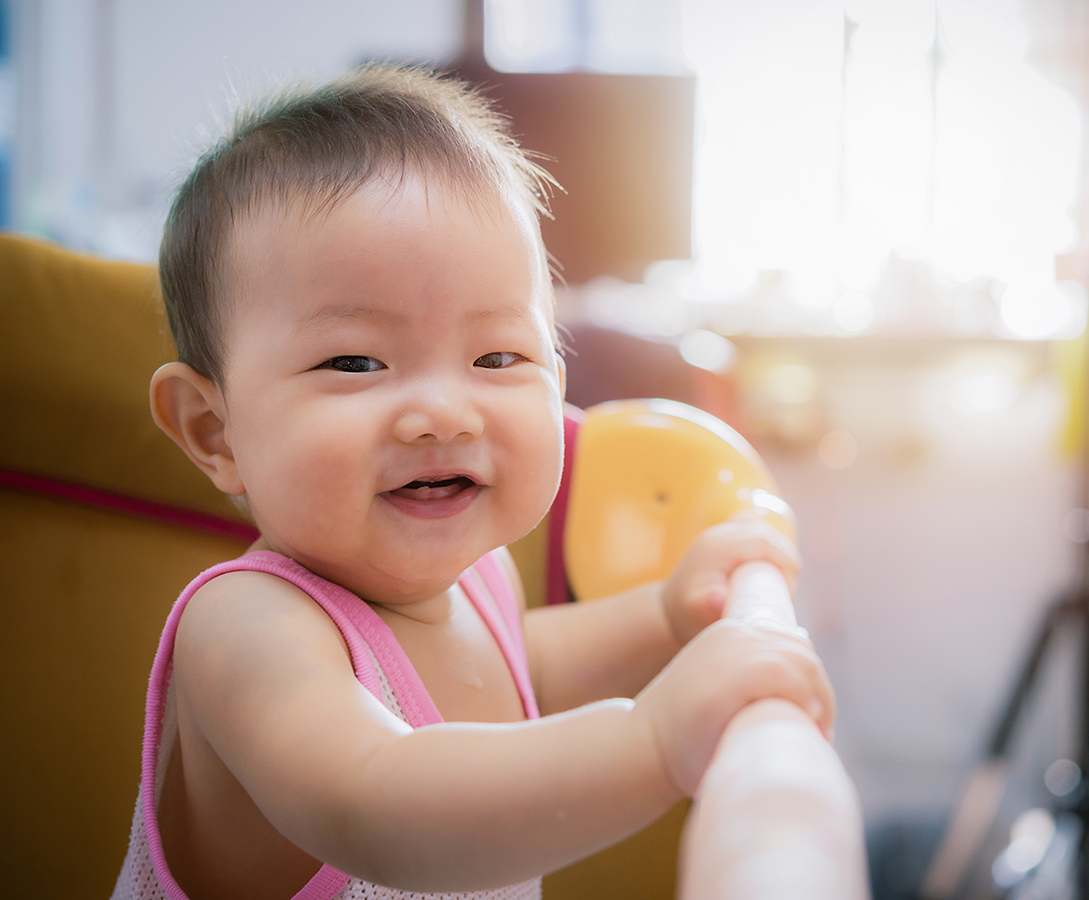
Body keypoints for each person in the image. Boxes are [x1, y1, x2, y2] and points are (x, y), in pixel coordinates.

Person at [113, 64, 835, 900]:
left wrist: (667, 612)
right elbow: (376, 799)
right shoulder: (243, 628)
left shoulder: (476, 579)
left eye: (498, 357)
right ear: (214, 429)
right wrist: (653, 743)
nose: (443, 414)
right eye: (355, 361)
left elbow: (518, 665)